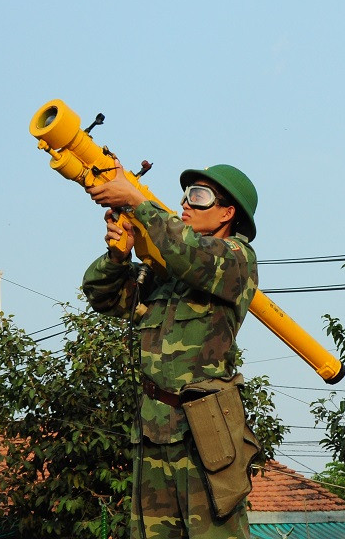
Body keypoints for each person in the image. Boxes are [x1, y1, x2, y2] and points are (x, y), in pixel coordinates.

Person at [83, 162, 260, 539]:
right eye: (185, 195)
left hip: (206, 434)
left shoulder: (237, 259)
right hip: (153, 430)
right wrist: (118, 258)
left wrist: (137, 200)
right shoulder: (165, 275)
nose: (186, 204)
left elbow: (189, 252)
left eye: (199, 196)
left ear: (227, 213)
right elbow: (104, 298)